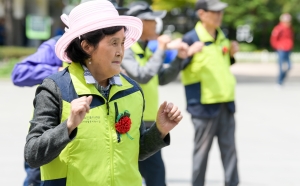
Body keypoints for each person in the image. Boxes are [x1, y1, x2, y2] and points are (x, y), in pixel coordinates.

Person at [24, 1, 183, 186]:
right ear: (87, 47)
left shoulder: (132, 90)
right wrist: (67, 126)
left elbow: (135, 151)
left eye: (122, 43)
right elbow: (33, 155)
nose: (121, 51)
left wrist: (160, 130)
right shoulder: (55, 89)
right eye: (114, 43)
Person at [123, 2, 189, 186]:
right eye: (152, 20)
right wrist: (161, 48)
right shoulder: (126, 50)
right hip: (132, 123)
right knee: (154, 176)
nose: (157, 24)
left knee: (154, 176)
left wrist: (179, 59)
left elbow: (161, 77)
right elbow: (142, 76)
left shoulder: (145, 49)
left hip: (150, 123)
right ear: (140, 24)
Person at [180, 0, 239, 185]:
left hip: (226, 103)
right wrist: (188, 53)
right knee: (201, 152)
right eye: (215, 12)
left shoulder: (223, 36)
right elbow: (177, 68)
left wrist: (231, 55)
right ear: (202, 14)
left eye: (221, 12)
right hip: (203, 105)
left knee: (230, 152)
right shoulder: (190, 39)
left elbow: (221, 66)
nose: (219, 16)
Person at [270, 13, 294, 86]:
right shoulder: (278, 28)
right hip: (281, 50)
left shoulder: (289, 29)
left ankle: (282, 79)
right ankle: (279, 81)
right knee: (281, 67)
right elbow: (273, 39)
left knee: (289, 66)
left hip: (288, 49)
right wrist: (278, 46)